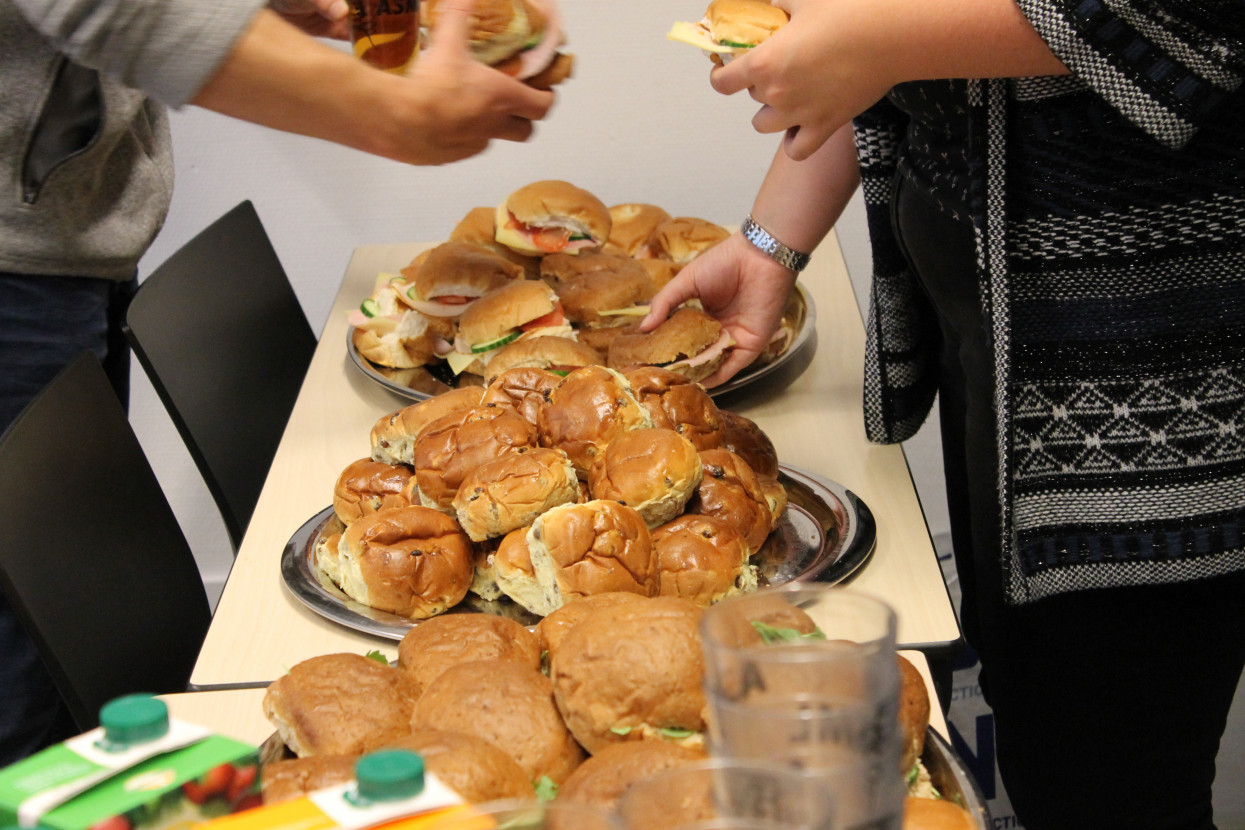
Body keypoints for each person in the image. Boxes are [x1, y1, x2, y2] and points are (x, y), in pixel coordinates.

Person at [644, 2, 1245, 828]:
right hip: (1006, 349)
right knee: (1035, 709)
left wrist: (873, 39)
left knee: (1108, 782)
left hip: (1156, 377)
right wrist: (768, 241)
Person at [0, 0, 553, 765]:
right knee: (24, 654)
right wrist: (380, 110)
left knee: (63, 615)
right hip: (16, 256)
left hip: (63, 229)